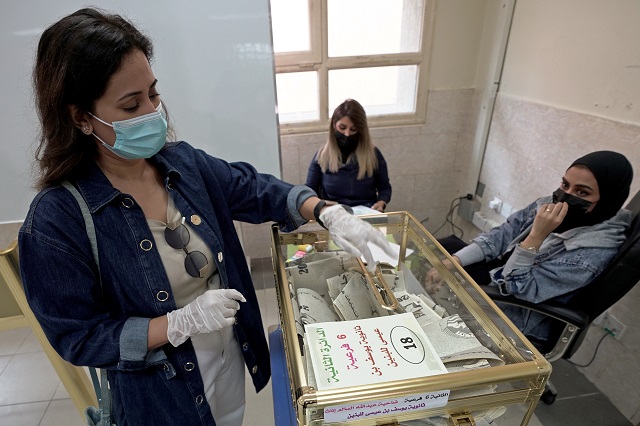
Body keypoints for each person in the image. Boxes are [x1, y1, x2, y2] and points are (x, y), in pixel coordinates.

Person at [18, 8, 393, 426]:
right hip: (160, 395)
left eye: (154, 94)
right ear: (80, 117)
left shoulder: (183, 165)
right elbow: (78, 336)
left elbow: (253, 188)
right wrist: (177, 324)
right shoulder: (56, 220)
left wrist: (326, 212)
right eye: (131, 104)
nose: (152, 111)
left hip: (227, 360)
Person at [426, 151, 633, 347]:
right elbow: (503, 234)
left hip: (516, 311)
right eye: (565, 184)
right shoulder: (546, 204)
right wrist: (453, 262)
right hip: (502, 274)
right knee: (445, 249)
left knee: (434, 315)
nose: (565, 196)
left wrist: (536, 235)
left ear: (608, 199)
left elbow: (516, 289)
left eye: (581, 192)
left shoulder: (591, 253)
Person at [305, 98, 392, 212]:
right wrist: (319, 207)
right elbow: (309, 191)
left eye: (353, 129)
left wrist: (381, 203)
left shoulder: (373, 155)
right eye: (342, 127)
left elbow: (385, 188)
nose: (347, 134)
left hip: (366, 215)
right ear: (334, 125)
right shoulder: (322, 156)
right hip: (333, 216)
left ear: (361, 130)